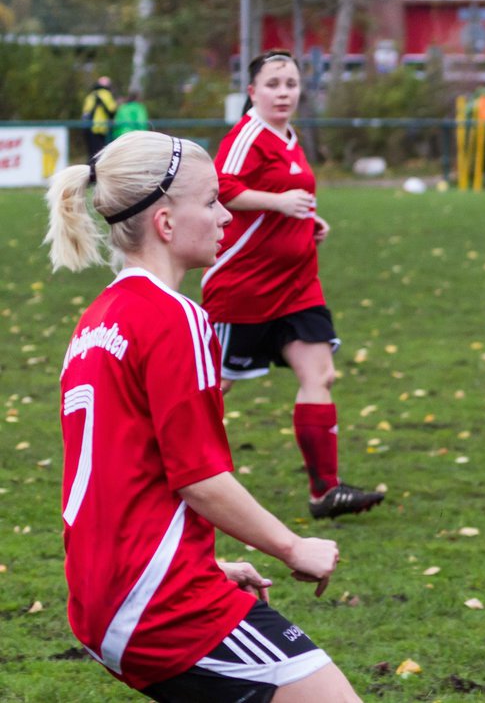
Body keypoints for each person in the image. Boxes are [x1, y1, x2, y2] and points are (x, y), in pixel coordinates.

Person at [44, 131, 360, 702]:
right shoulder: (177, 318)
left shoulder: (98, 319)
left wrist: (207, 565)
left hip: (102, 594)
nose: (225, 217)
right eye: (212, 201)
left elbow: (125, 474)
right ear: (165, 223)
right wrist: (292, 547)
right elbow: (199, 479)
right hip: (159, 607)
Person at [202, 49, 383, 519]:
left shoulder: (288, 137)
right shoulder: (248, 135)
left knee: (319, 374)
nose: (284, 93)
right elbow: (220, 187)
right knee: (209, 390)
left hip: (298, 285)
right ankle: (171, 473)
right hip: (244, 285)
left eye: (291, 84)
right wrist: (280, 204)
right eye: (273, 84)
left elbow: (286, 197)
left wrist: (307, 221)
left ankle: (326, 492)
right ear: (252, 92)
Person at [80, 76, 118, 160]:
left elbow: (85, 112)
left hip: (88, 128)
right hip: (100, 129)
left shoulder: (91, 95)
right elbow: (112, 110)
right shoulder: (107, 95)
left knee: (91, 154)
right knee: (101, 156)